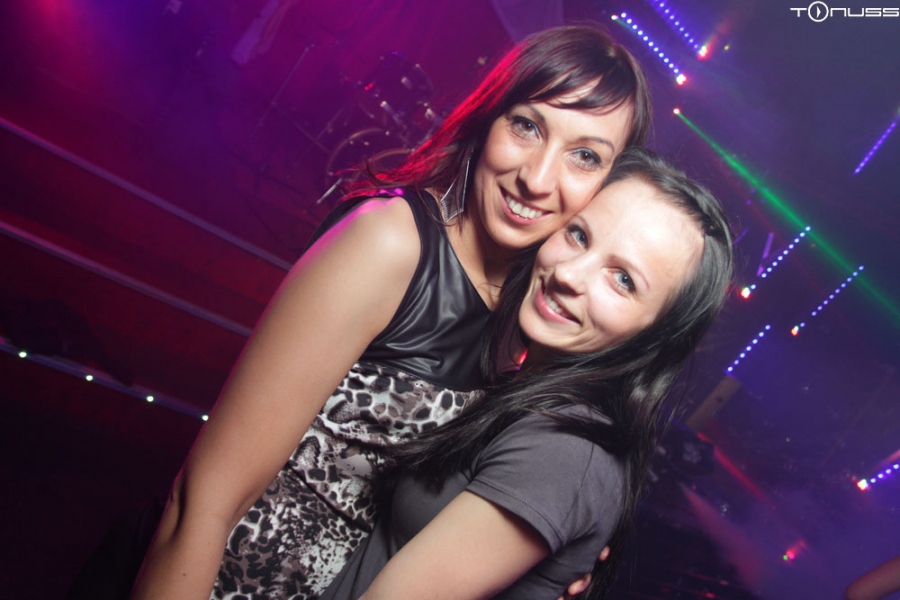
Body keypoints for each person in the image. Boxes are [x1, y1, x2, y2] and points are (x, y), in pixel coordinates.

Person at [126, 25, 651, 600]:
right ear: (490, 118)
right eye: (527, 125)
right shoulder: (389, 243)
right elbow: (200, 504)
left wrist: (551, 558)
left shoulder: (536, 314)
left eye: (585, 156)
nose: (538, 178)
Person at [320, 147, 735, 599]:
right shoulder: (524, 391)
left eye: (623, 280)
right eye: (579, 235)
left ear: (655, 336)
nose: (569, 275)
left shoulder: (566, 452)